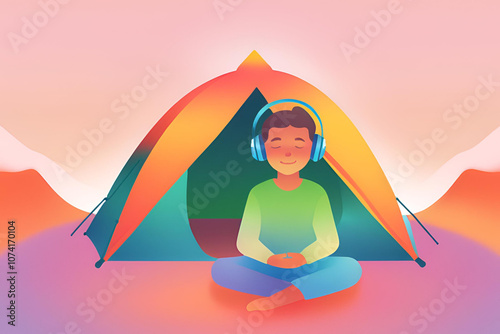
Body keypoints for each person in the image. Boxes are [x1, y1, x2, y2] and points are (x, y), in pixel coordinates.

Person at [211, 105, 362, 311]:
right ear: (261, 149)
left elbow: (329, 240)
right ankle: (298, 292)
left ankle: (282, 295)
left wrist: (304, 258)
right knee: (221, 268)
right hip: (267, 266)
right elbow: (246, 240)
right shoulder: (258, 192)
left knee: (350, 267)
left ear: (314, 149)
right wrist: (269, 258)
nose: (288, 152)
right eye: (277, 144)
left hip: (308, 266)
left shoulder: (317, 192)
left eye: (299, 145)